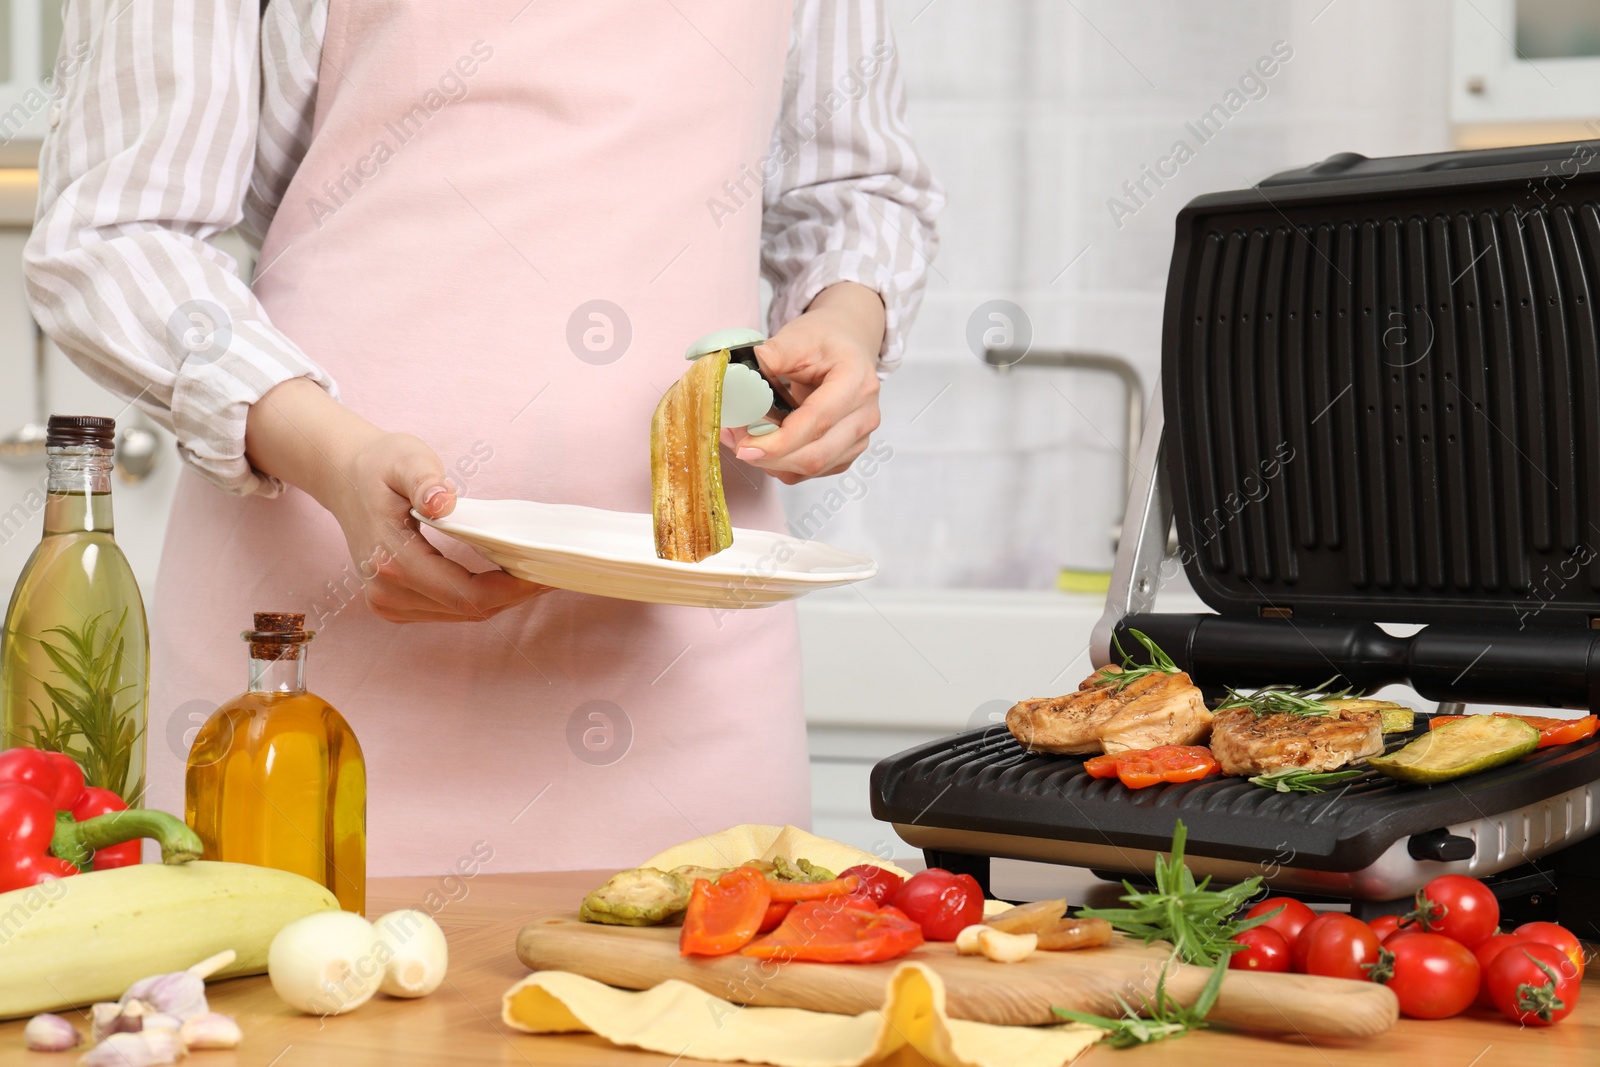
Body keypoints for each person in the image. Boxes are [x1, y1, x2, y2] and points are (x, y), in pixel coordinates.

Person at [25, 0, 940, 873]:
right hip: (319, 632)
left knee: (704, 1009)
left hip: (684, 651)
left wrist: (847, 324)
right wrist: (334, 455)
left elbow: (854, 184)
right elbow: (116, 231)